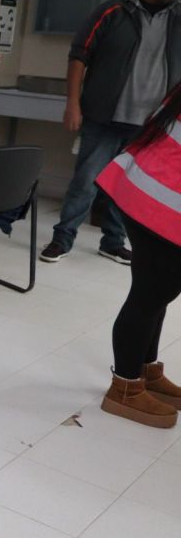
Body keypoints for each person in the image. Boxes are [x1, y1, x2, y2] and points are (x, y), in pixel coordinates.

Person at [40, 0, 181, 265]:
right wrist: (73, 103)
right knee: (86, 181)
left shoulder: (178, 17)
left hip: (151, 126)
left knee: (127, 187)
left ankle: (113, 242)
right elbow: (79, 57)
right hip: (104, 117)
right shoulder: (112, 12)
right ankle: (62, 238)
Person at [97, 80, 181, 428]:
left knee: (158, 292)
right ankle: (125, 388)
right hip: (160, 199)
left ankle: (145, 371)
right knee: (150, 295)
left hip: (149, 188)